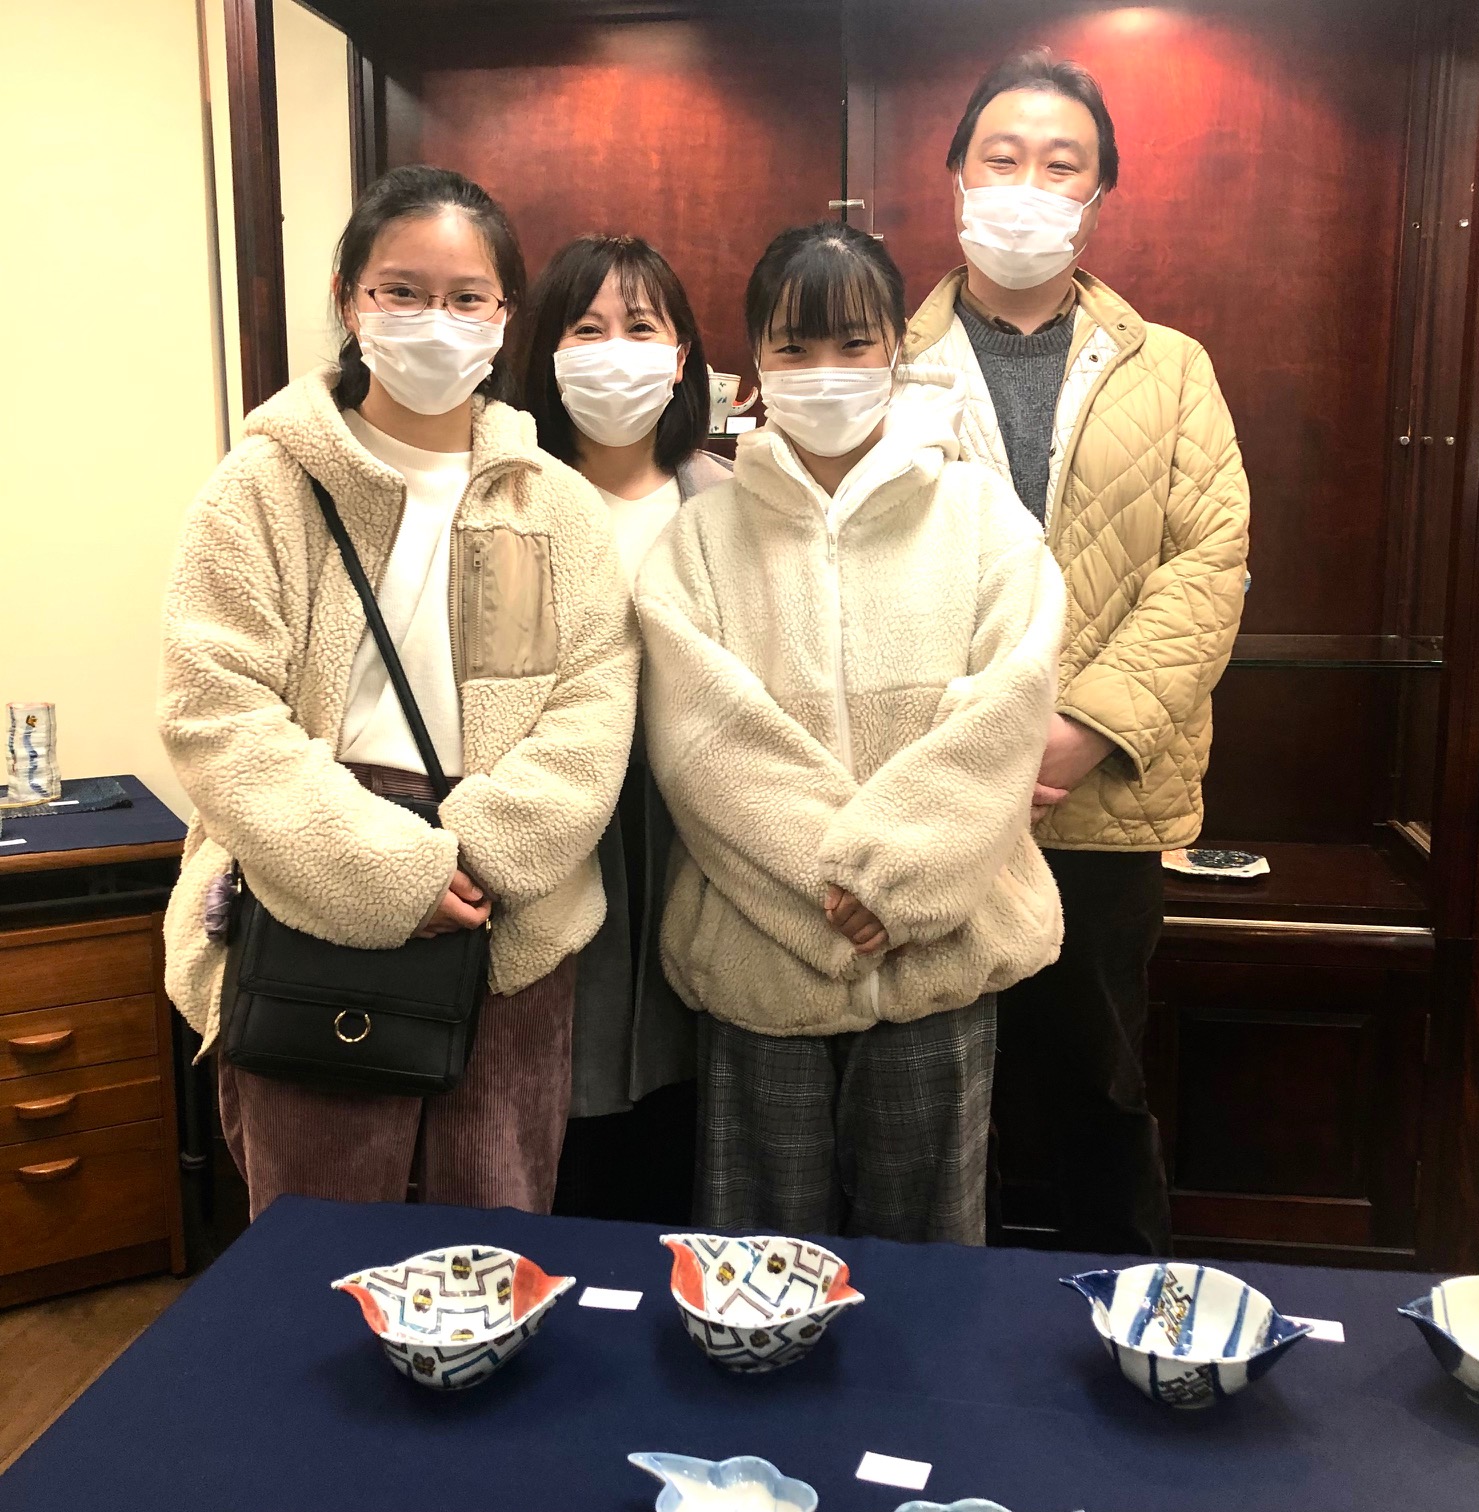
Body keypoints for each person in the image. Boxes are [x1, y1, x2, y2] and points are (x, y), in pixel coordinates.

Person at [159, 166, 638, 1220]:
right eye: (402, 291)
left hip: (507, 913)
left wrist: (479, 856)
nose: (436, 320)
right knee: (320, 1248)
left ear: (505, 315)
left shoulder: (554, 506)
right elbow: (216, 710)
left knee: (495, 1235)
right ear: (349, 298)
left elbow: (592, 708)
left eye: (467, 297)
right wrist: (383, 872)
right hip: (312, 886)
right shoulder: (262, 488)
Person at [636, 221, 1066, 1244]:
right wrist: (831, 884)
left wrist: (894, 882)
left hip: (937, 955)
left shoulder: (983, 517)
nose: (825, 369)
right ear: (754, 361)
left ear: (896, 350)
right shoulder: (702, 534)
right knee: (758, 1262)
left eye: (854, 342)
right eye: (794, 346)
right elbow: (699, 741)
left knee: (928, 1267)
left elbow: (1008, 709)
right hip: (762, 960)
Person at [900, 49, 1250, 1254]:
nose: (1027, 185)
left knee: (1100, 1095)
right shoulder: (881, 363)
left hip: (1101, 805)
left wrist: (1081, 728)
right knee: (935, 1108)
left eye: (1063, 165)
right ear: (955, 174)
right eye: (1001, 157)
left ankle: (1132, 1331)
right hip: (930, 797)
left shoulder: (1173, 369)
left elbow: (1208, 567)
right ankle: (946, 1343)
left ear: (1101, 194)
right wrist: (977, 745)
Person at [515, 233, 730, 1221]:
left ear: (681, 356)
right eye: (586, 328)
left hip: (701, 833)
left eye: (641, 328)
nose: (615, 351)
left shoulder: (729, 500)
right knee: (569, 1108)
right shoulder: (509, 497)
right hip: (559, 830)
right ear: (547, 353)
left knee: (686, 1108)